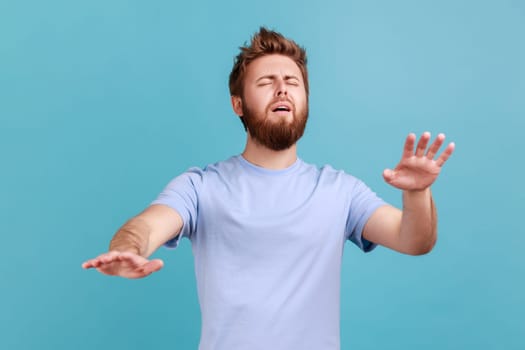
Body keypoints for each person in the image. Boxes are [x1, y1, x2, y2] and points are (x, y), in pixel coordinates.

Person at [82, 27, 455, 349]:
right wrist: (127, 251)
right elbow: (145, 227)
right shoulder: (201, 187)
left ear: (306, 100)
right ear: (238, 105)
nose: (282, 90)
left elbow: (414, 240)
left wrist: (417, 193)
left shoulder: (340, 191)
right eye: (266, 82)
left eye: (292, 82)